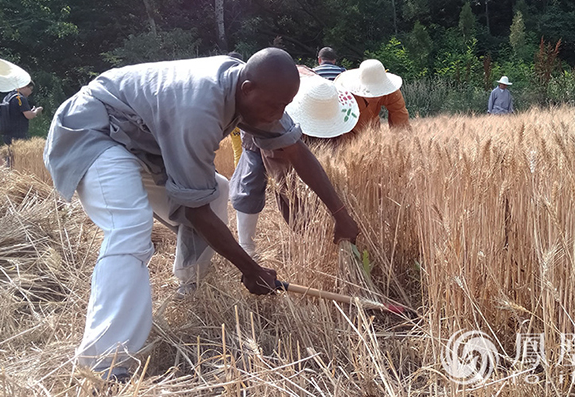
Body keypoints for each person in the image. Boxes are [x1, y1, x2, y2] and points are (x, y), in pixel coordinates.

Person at [43, 48, 359, 381]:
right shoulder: (198, 109)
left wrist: (341, 215)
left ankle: (191, 288)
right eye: (273, 106)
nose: (277, 115)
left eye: (284, 106)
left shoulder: (256, 94)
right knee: (130, 227)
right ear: (247, 88)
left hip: (140, 144)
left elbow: (297, 151)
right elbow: (195, 211)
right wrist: (251, 270)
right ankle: (104, 363)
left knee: (218, 188)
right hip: (95, 132)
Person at [232, 72, 359, 257]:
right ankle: (246, 247)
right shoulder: (273, 119)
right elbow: (283, 182)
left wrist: (337, 211)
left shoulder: (327, 99)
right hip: (259, 124)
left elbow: (335, 155)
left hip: (306, 101)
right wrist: (307, 225)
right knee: (252, 178)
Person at [334, 59, 410, 136]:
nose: (375, 96)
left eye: (378, 90)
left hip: (372, 129)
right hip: (346, 130)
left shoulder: (393, 92)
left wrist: (403, 143)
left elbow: (401, 121)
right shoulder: (345, 93)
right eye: (369, 91)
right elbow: (338, 124)